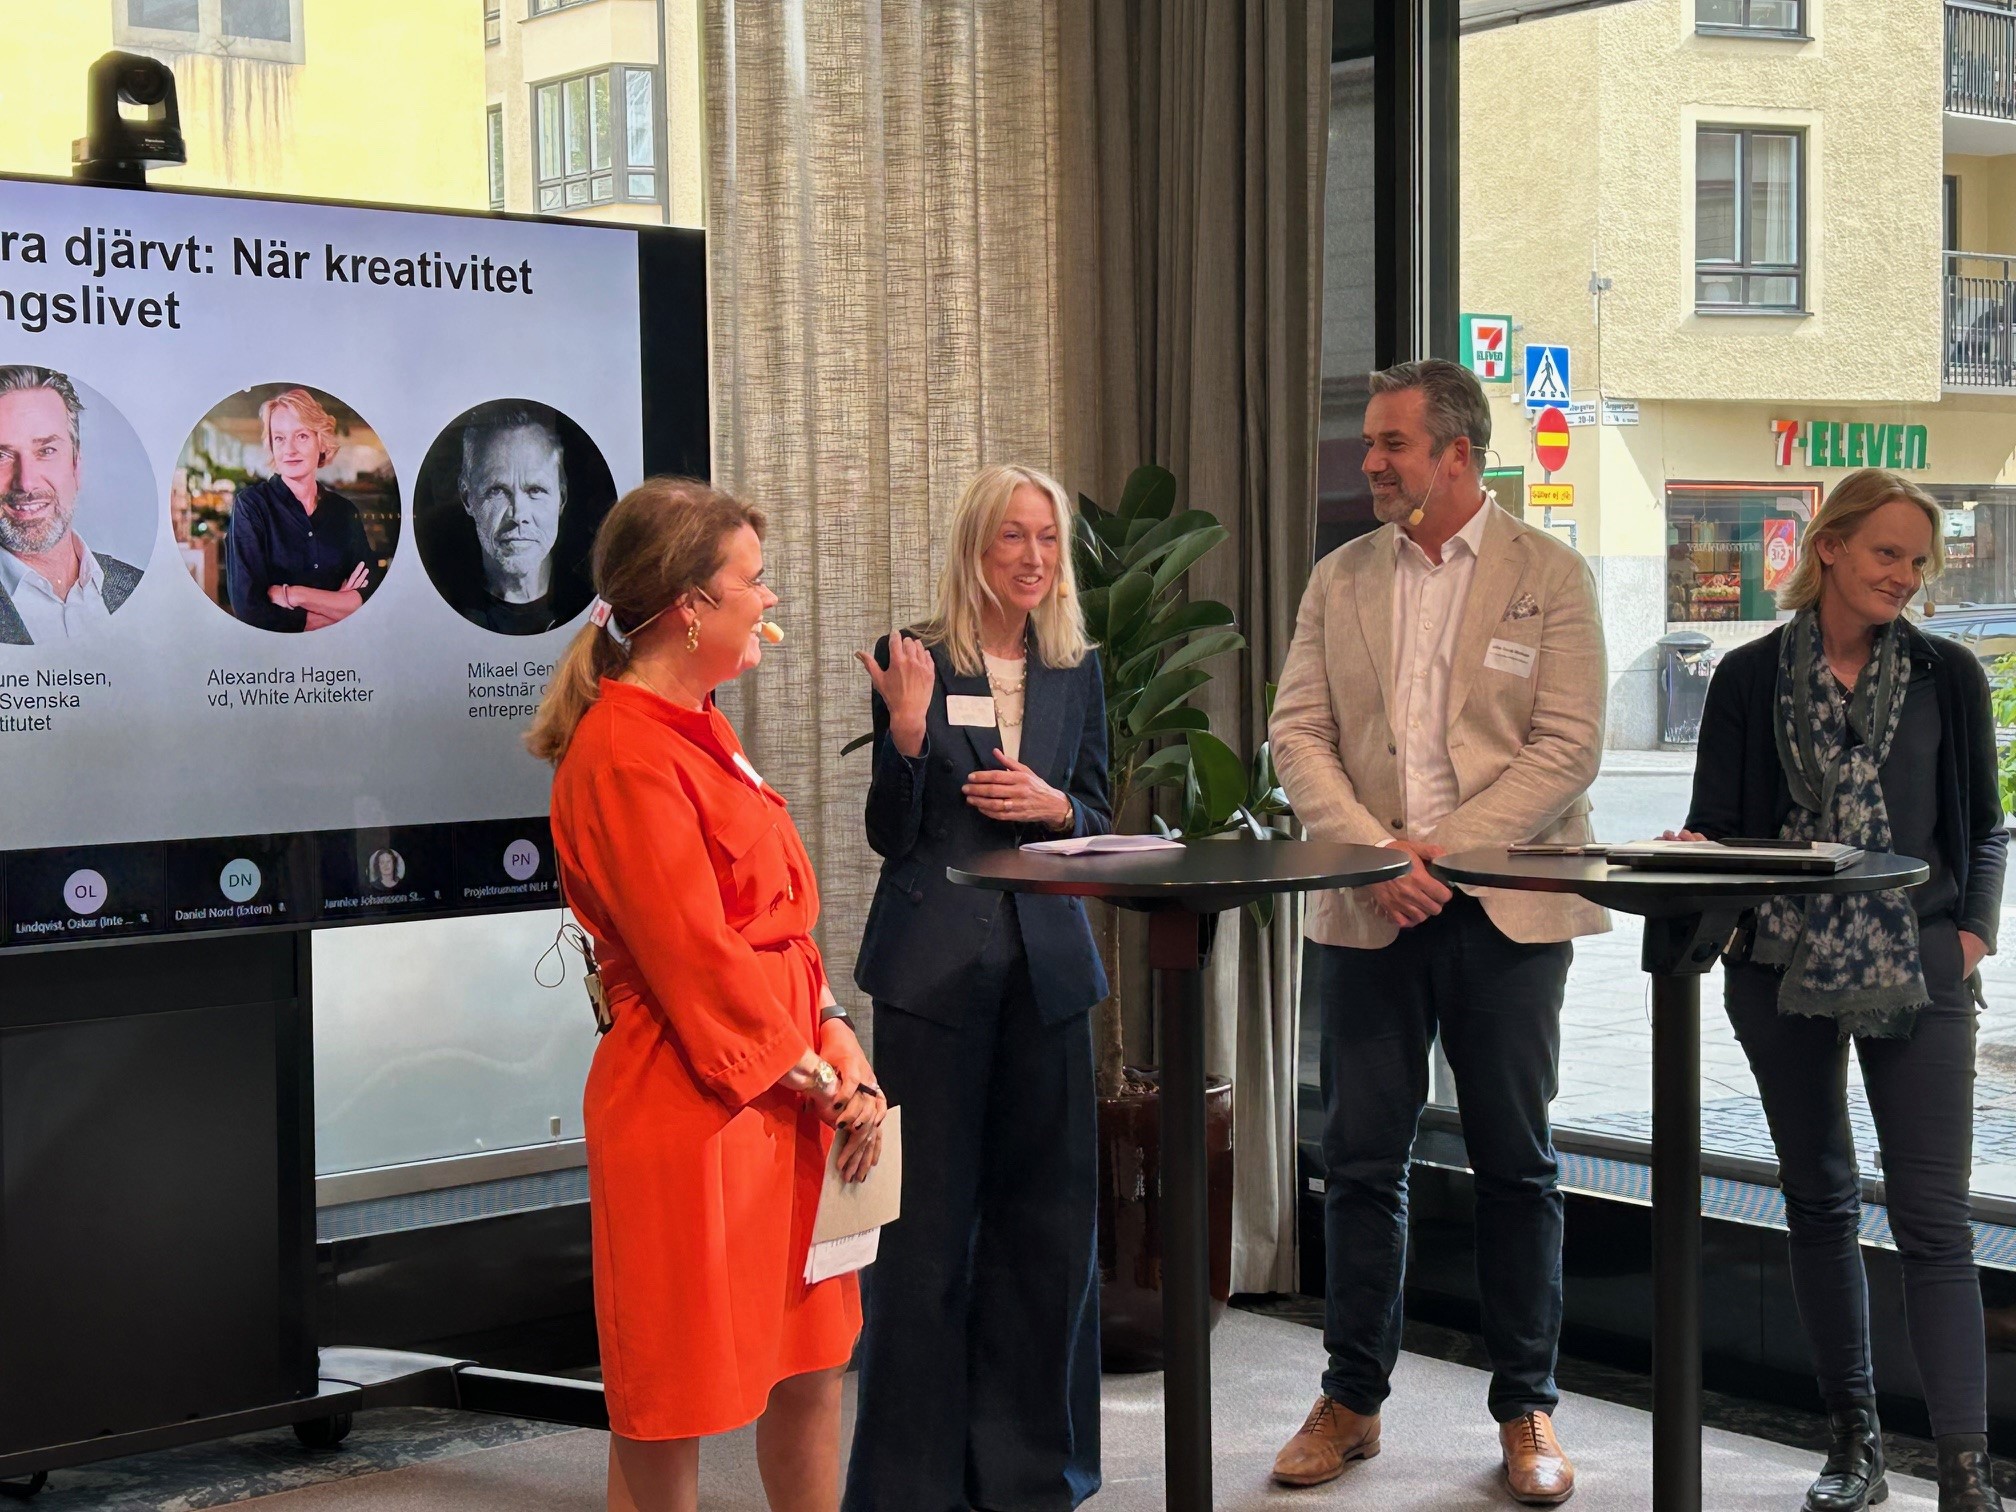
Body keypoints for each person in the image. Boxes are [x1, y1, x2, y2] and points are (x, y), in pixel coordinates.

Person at [1267, 359, 1608, 1505]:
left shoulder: (1549, 574)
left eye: (1393, 443)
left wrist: (1440, 854)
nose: (1371, 460)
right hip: (1370, 909)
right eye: (1371, 442)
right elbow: (1297, 734)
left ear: (1456, 454)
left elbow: (1568, 747)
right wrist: (1379, 856)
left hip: (1505, 908)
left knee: (1518, 1163)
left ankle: (1527, 1411)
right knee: (1363, 1161)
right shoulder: (1338, 578)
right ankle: (1351, 1400)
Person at [531, 476, 888, 1512]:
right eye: (754, 580)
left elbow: (774, 926)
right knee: (670, 1401)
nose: (768, 599)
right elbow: (690, 952)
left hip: (787, 1089)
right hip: (692, 1106)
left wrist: (834, 1030)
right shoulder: (622, 751)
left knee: (812, 1367)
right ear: (690, 606)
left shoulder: (702, 724)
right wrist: (815, 1072)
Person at [1673, 468, 2007, 1512]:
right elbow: (1716, 825)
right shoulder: (1748, 676)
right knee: (1818, 1200)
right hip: (1778, 967)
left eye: (1918, 561)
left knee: (1934, 1219)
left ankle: (1964, 1471)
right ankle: (1852, 1444)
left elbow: (1985, 826)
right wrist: (1700, 860)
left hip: (1920, 965)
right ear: (1829, 547)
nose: (1904, 576)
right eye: (1886, 553)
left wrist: (1971, 939)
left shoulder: (1949, 674)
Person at [844, 463, 1110, 1512]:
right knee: (921, 1240)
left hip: (1048, 973)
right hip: (933, 975)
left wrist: (1056, 809)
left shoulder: (1076, 668)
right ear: (975, 545)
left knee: (1047, 1231)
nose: (1033, 558)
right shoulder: (913, 654)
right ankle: (913, 1486)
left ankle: (1032, 1475)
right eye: (1013, 536)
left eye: (1047, 538)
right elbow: (890, 833)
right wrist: (908, 736)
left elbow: (1096, 813)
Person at [0, 364, 142, 645]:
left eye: (46, 450)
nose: (26, 483)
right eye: (1, 456)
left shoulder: (135, 585)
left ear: (76, 465)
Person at [227, 387, 376, 633]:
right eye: (279, 438)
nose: (290, 449)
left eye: (302, 436)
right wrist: (333, 609)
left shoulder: (344, 512)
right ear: (271, 445)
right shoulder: (252, 506)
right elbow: (249, 608)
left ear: (321, 441)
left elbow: (367, 594)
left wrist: (295, 595)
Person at [437, 402, 581, 634]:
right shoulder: (444, 611)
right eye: (497, 490)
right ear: (467, 497)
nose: (518, 515)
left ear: (561, 498)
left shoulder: (589, 602)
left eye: (535, 490)